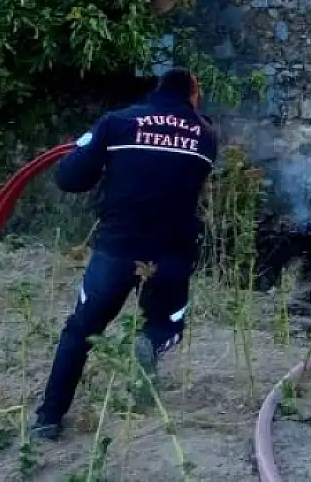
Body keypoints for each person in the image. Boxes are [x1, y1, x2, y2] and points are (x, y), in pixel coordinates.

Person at [30, 68, 220, 440]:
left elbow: (70, 179)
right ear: (193, 97)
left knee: (81, 331)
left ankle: (49, 419)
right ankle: (149, 343)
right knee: (167, 323)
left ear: (156, 90)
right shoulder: (207, 136)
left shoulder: (117, 123)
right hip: (173, 253)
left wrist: (86, 146)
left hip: (117, 248)